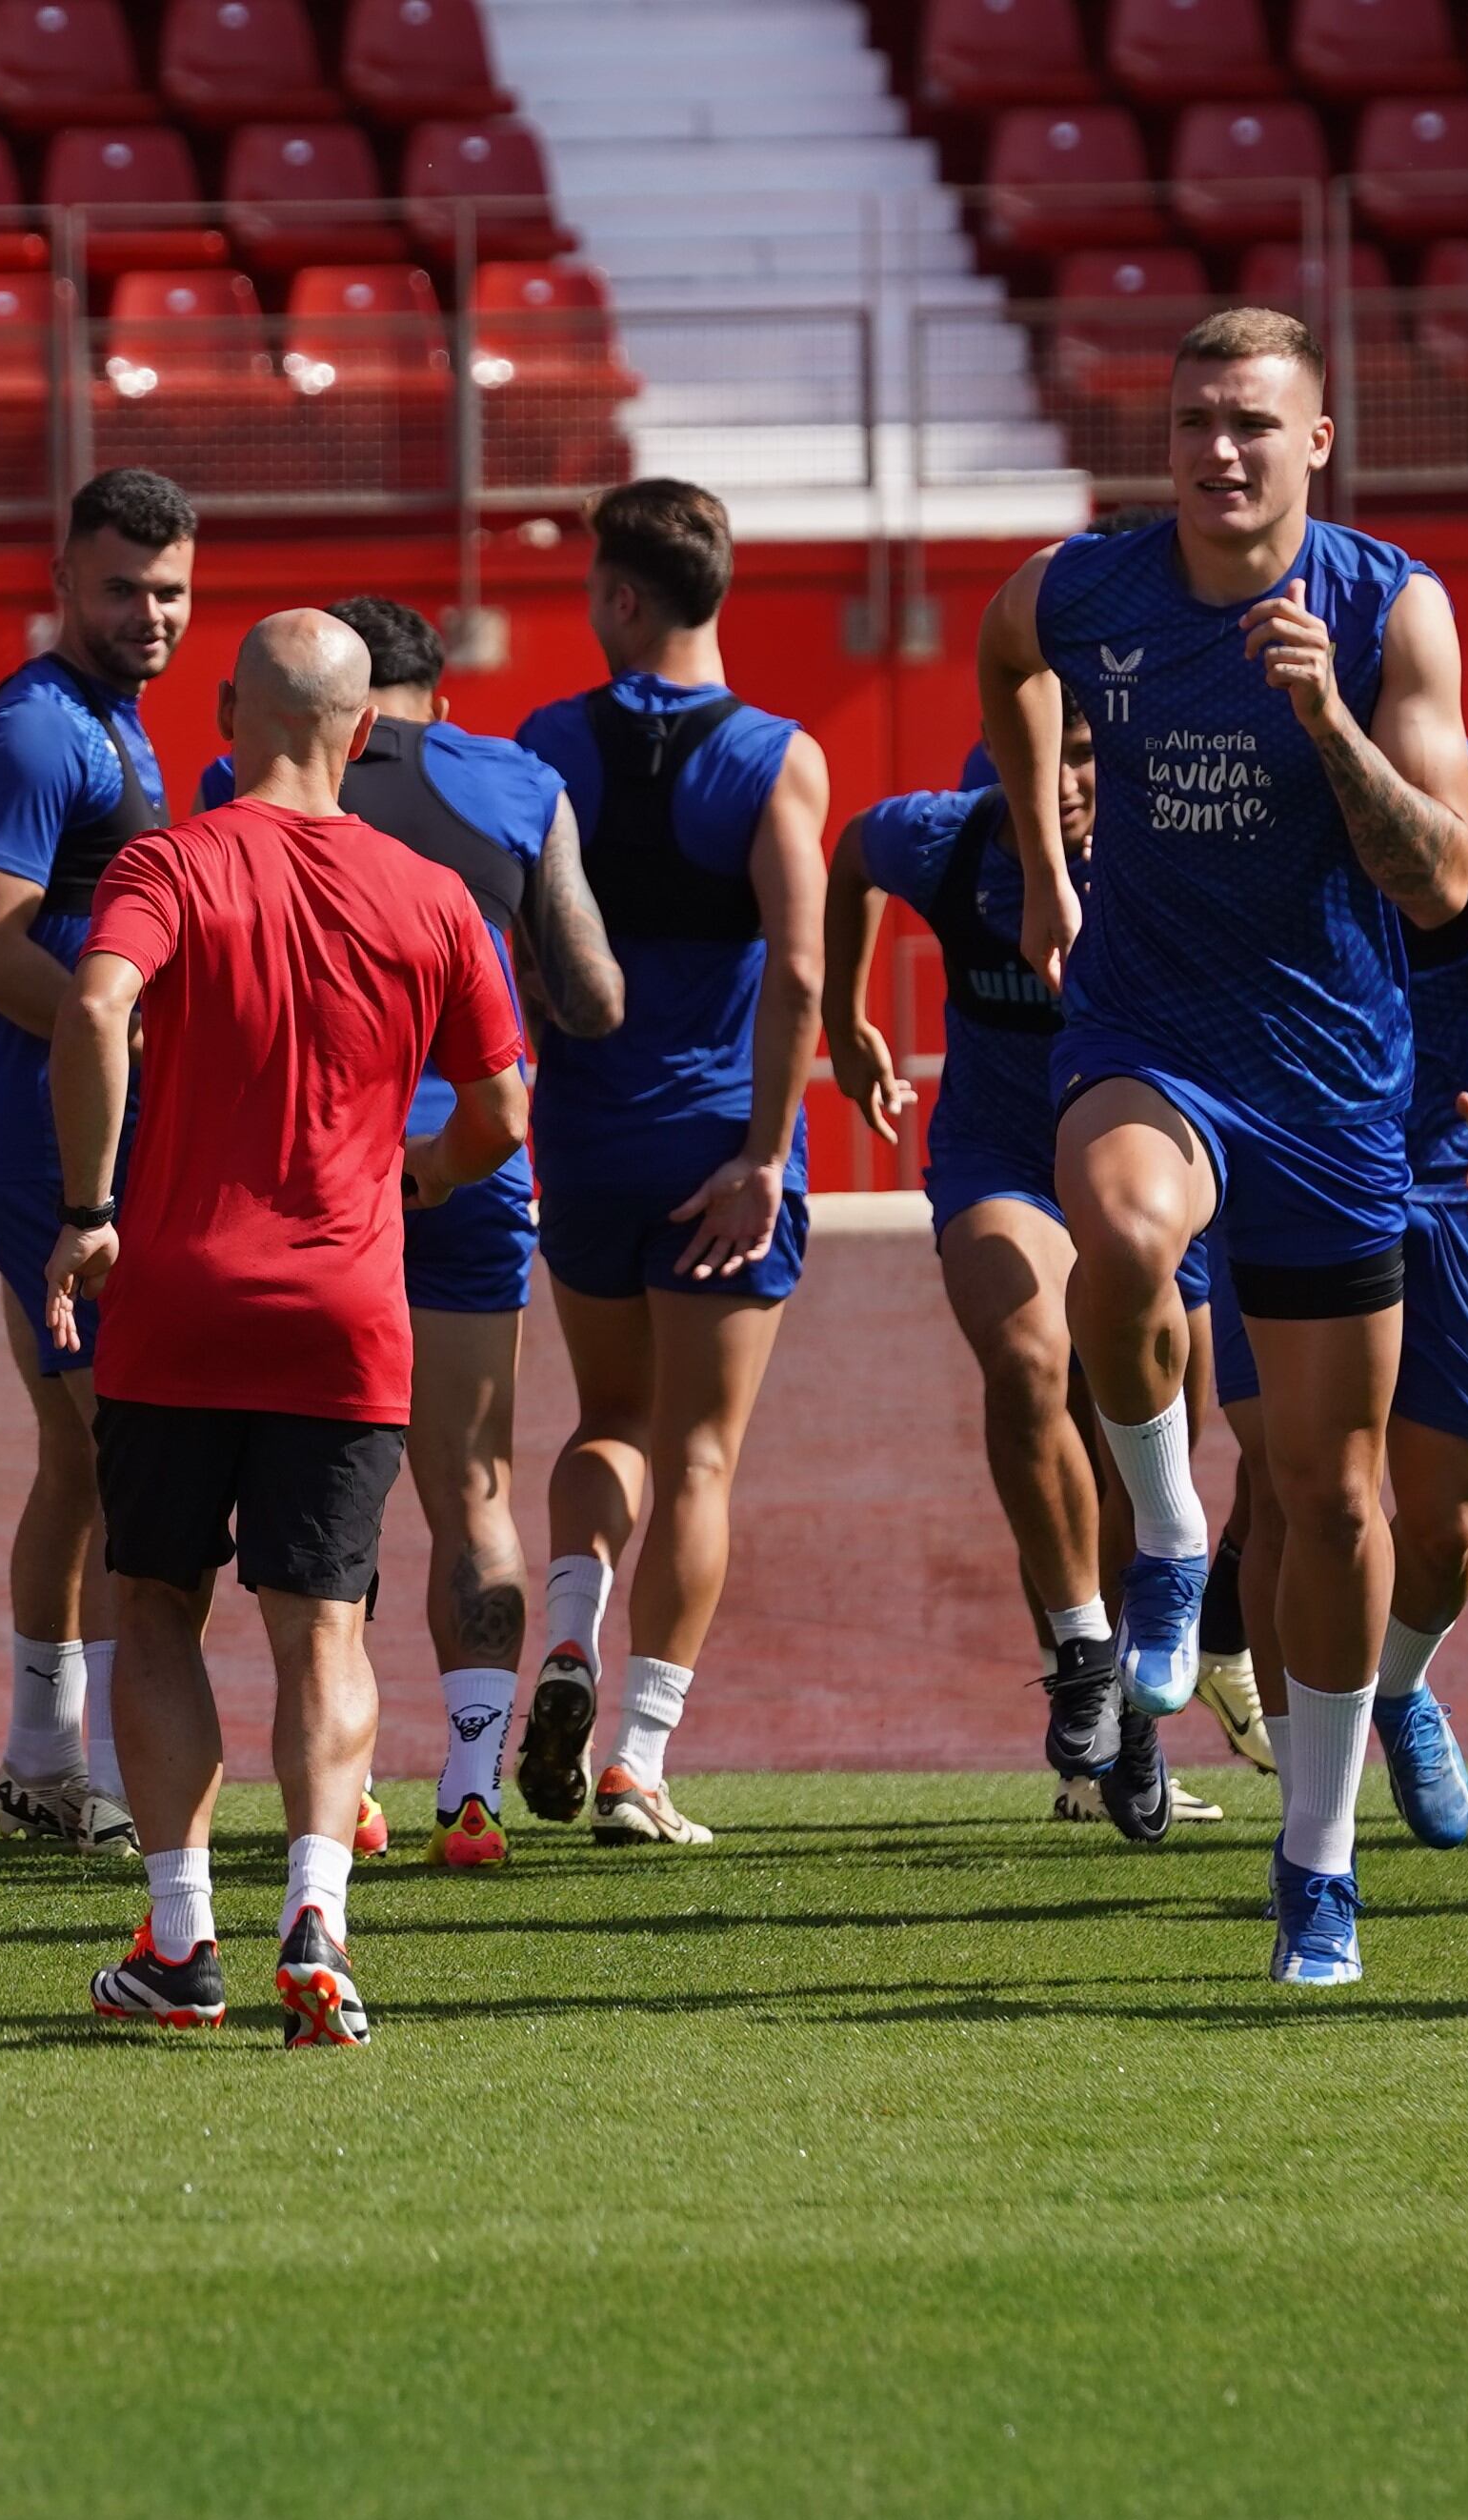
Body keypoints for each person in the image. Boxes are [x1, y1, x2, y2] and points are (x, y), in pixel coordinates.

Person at [977, 306, 1468, 1986]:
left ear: (1313, 441)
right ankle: (1167, 1534)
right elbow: (1000, 656)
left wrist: (1328, 718)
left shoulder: (1387, 606)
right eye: (1193, 419)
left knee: (1338, 1505)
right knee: (1117, 1240)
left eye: (1251, 423)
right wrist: (1045, 864)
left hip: (1333, 1086)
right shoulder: (1091, 587)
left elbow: (1436, 885)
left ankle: (1315, 1866)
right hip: (1145, 1040)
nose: (1217, 450)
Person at [49, 611, 526, 2046]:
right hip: (348, 1312)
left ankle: (182, 1934)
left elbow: (93, 1004)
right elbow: (503, 1112)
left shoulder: (171, 860)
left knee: (156, 1609)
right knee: (325, 1629)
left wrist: (87, 1207)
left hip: (183, 1300)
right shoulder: (435, 894)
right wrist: (420, 1176)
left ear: (226, 717)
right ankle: (316, 1903)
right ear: (366, 730)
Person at [206, 595, 621, 1869]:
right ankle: (475, 1783)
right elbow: (595, 993)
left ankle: (353, 1792)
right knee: (474, 1485)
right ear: (436, 696)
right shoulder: (515, 782)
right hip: (468, 1164)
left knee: (323, 1486)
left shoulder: (245, 776)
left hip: (311, 1165)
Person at [824, 708, 1233, 1837]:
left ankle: (1138, 1706)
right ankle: (1081, 1649)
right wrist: (843, 1017)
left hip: (1149, 1173)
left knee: (1149, 1457)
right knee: (1027, 1358)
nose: (1061, 779)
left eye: (1088, 753)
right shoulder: (948, 839)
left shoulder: (1167, 849)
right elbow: (855, 848)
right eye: (1039, 755)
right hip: (1002, 1157)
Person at [511, 481, 828, 1847]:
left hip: (584, 1137)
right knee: (700, 1455)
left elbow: (513, 947)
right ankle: (638, 1760)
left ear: (625, 599)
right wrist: (765, 1154)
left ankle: (569, 1637)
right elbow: (803, 969)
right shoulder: (775, 756)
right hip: (717, 1148)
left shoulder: (544, 747)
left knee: (605, 1422)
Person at [1203, 743, 1468, 1855]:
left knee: (1449, 1524)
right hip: (1289, 1169)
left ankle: (1401, 1686)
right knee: (1291, 1492)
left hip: (1449, 1175)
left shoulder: (1456, 776)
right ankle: (1310, 1825)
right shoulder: (1219, 784)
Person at [0, 467, 197, 1853]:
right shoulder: (42, 732)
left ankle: (46, 1759)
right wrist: (137, 1038)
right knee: (123, 1442)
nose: (148, 613)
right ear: (63, 581)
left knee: (78, 1454)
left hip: (51, 1116)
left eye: (169, 591)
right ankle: (100, 1763)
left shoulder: (115, 721)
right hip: (43, 1128)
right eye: (121, 588)